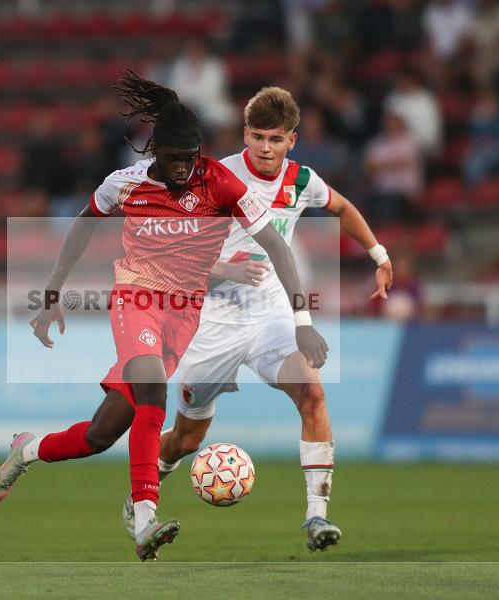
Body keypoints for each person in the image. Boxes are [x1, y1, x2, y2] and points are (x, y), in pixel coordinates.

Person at [0, 71, 328, 561]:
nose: (185, 167)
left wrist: (301, 320)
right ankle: (144, 516)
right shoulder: (124, 185)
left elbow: (276, 247)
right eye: (174, 158)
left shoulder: (222, 184)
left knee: (101, 435)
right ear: (154, 152)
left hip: (185, 314)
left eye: (192, 157)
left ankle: (27, 449)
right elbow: (82, 227)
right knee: (153, 391)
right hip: (137, 297)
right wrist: (52, 293)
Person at [121, 87, 393, 552]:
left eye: (276, 138)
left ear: (293, 140)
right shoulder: (214, 177)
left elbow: (342, 208)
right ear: (245, 134)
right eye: (258, 136)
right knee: (187, 438)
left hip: (270, 314)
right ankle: (141, 495)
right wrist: (223, 271)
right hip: (209, 322)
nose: (265, 147)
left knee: (311, 392)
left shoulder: (300, 181)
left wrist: (379, 255)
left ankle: (317, 517)